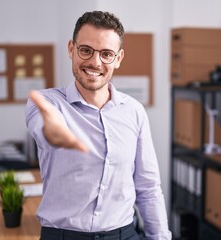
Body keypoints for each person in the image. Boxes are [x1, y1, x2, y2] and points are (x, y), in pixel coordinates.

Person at [26, 11, 172, 240]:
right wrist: (51, 132)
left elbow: (148, 186)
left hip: (124, 234)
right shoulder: (47, 103)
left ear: (118, 58)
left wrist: (161, 237)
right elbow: (42, 129)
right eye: (86, 50)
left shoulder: (134, 111)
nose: (95, 62)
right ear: (71, 49)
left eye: (106, 54)